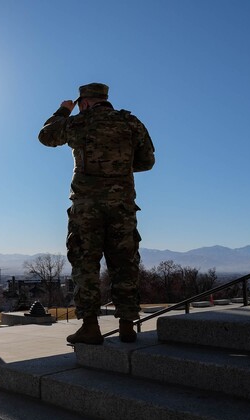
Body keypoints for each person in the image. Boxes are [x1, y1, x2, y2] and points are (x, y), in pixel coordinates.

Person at [38, 82, 155, 344]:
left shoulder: (79, 122)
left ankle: (90, 327)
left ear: (85, 102)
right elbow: (147, 161)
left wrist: (62, 111)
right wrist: (118, 169)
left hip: (87, 208)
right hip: (122, 206)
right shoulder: (130, 123)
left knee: (85, 265)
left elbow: (46, 136)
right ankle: (127, 326)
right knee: (125, 264)